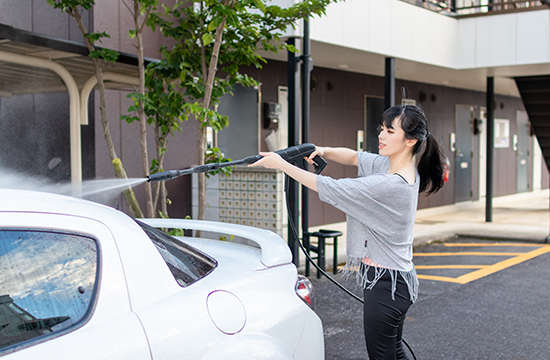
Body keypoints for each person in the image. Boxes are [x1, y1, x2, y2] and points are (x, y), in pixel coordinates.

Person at [249, 104, 444, 360]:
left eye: (389, 131)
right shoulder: (391, 166)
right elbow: (354, 156)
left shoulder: (391, 183)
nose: (381, 136)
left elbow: (330, 187)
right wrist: (323, 151)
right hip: (395, 281)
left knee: (382, 356)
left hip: (386, 285)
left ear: (410, 140)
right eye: (381, 129)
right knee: (393, 351)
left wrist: (282, 164)